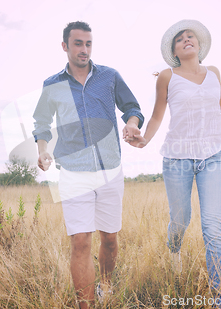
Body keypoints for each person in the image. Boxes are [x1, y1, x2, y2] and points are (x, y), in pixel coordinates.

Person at [128, 19, 221, 307]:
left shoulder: (214, 73)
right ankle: (174, 250)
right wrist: (143, 141)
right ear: (175, 51)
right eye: (180, 39)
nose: (186, 39)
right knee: (180, 220)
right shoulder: (167, 76)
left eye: (191, 36)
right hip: (177, 158)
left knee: (214, 227)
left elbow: (220, 113)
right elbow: (156, 117)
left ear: (199, 45)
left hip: (214, 156)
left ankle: (220, 300)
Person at [32, 21, 144, 308]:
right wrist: (43, 150)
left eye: (88, 43)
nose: (84, 49)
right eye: (78, 43)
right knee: (80, 241)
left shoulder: (109, 77)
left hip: (110, 170)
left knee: (109, 238)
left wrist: (132, 124)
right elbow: (42, 124)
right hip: (72, 173)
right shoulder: (52, 85)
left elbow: (132, 108)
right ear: (65, 46)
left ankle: (106, 286)